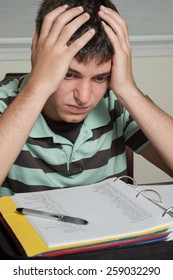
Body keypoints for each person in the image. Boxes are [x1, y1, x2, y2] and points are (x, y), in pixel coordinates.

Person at [0, 0, 172, 196]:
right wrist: (38, 87)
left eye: (100, 78)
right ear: (38, 49)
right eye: (69, 74)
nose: (84, 97)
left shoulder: (115, 101)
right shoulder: (4, 101)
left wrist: (128, 89)